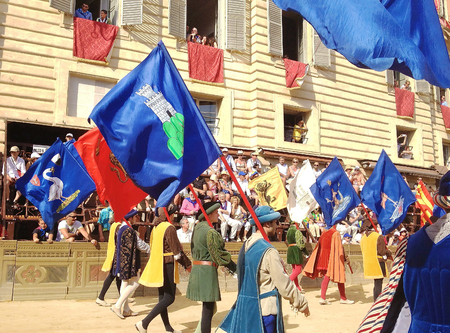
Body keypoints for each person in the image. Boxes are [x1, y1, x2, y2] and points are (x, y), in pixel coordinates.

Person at [219, 206, 309, 333]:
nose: (277, 225)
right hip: (265, 310)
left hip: (248, 308)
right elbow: (283, 284)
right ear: (267, 224)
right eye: (275, 222)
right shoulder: (269, 251)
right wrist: (301, 303)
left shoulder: (246, 244)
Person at [136, 207, 192, 333]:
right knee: (169, 298)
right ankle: (144, 323)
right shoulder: (169, 227)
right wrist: (187, 264)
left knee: (163, 298)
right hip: (168, 264)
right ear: (169, 215)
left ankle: (168, 328)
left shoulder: (156, 228)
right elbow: (177, 252)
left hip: (158, 264)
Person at [186, 202, 237, 333]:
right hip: (206, 272)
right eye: (215, 212)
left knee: (208, 309)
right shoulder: (210, 232)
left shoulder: (196, 229)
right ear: (207, 215)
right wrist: (236, 269)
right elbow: (220, 255)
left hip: (198, 269)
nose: (218, 214)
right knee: (208, 310)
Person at [111, 210, 150, 319]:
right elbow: (139, 245)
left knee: (125, 282)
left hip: (122, 260)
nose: (136, 218)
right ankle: (117, 306)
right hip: (129, 262)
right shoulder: (129, 230)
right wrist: (150, 249)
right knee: (135, 283)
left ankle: (126, 309)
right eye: (134, 217)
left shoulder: (121, 228)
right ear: (130, 218)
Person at [303, 226, 354, 305]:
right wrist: (344, 257)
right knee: (336, 275)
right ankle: (339, 298)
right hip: (331, 257)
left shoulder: (323, 234)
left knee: (330, 276)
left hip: (323, 257)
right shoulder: (335, 233)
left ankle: (329, 297)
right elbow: (339, 248)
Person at [360, 219, 391, 302]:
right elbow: (382, 251)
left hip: (368, 262)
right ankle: (377, 300)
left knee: (376, 282)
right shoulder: (378, 236)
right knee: (378, 282)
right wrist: (389, 252)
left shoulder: (363, 238)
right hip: (378, 262)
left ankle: (376, 299)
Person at [96, 219, 122, 307]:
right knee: (112, 275)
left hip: (114, 253)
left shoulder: (114, 224)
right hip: (117, 254)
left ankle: (122, 297)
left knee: (118, 277)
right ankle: (100, 297)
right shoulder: (118, 226)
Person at [286, 220, 309, 293]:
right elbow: (300, 244)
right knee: (298, 270)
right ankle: (287, 284)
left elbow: (286, 241)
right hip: (296, 250)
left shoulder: (288, 231)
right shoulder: (297, 231)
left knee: (294, 270)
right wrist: (306, 253)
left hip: (290, 250)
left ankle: (297, 288)